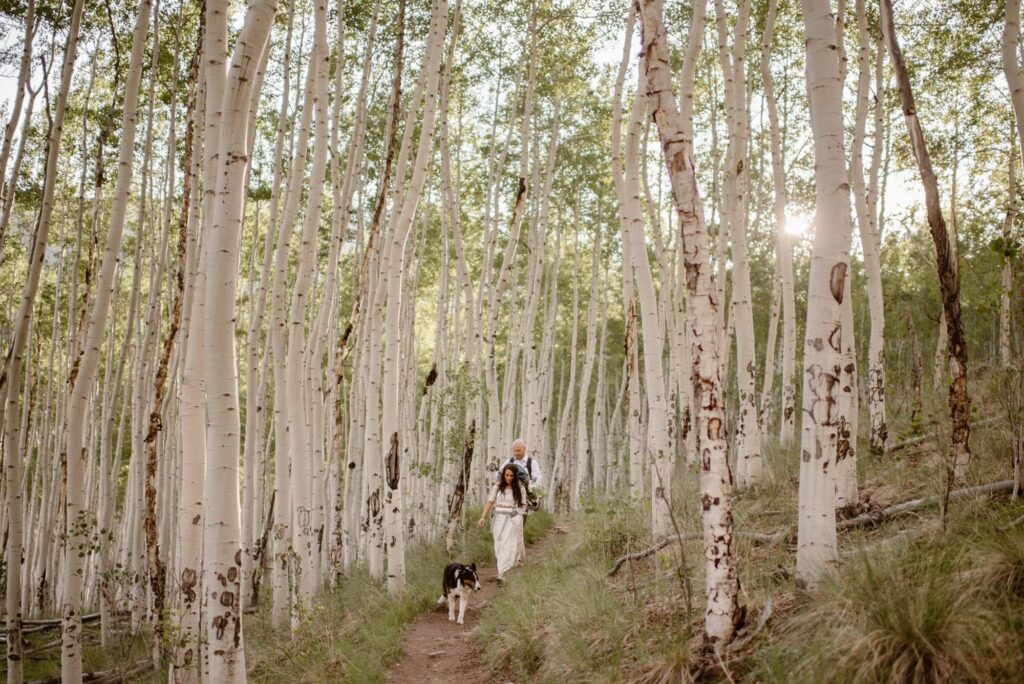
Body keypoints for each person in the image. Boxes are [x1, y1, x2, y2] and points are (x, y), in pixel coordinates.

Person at [478, 464, 527, 585]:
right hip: (498, 519)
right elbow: (490, 502)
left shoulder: (520, 488)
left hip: (511, 519)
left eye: (511, 475)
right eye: (507, 475)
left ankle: (501, 574)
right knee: (499, 545)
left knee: (507, 544)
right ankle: (502, 569)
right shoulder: (498, 487)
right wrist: (483, 517)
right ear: (503, 475)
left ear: (515, 476)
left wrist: (518, 514)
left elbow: (523, 504)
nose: (509, 478)